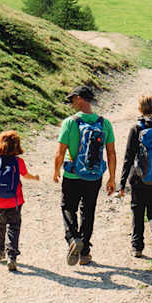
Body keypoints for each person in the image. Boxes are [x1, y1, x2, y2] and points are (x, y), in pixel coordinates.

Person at [53, 85, 117, 265]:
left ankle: (73, 239)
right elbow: (111, 153)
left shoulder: (69, 122)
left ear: (80, 99)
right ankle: (85, 253)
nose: (72, 104)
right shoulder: (105, 123)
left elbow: (60, 151)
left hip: (73, 175)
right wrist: (111, 177)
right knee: (88, 211)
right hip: (94, 176)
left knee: (68, 207)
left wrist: (56, 170)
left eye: (73, 100)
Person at [118, 94, 152, 259]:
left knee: (137, 210)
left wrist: (122, 184)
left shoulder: (137, 129)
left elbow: (128, 157)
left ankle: (137, 247)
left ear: (140, 109)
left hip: (139, 178)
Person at [0, 130, 39, 272]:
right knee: (13, 226)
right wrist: (35, 177)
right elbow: (25, 175)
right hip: (15, 200)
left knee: (0, 223)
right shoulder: (18, 161)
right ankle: (12, 256)